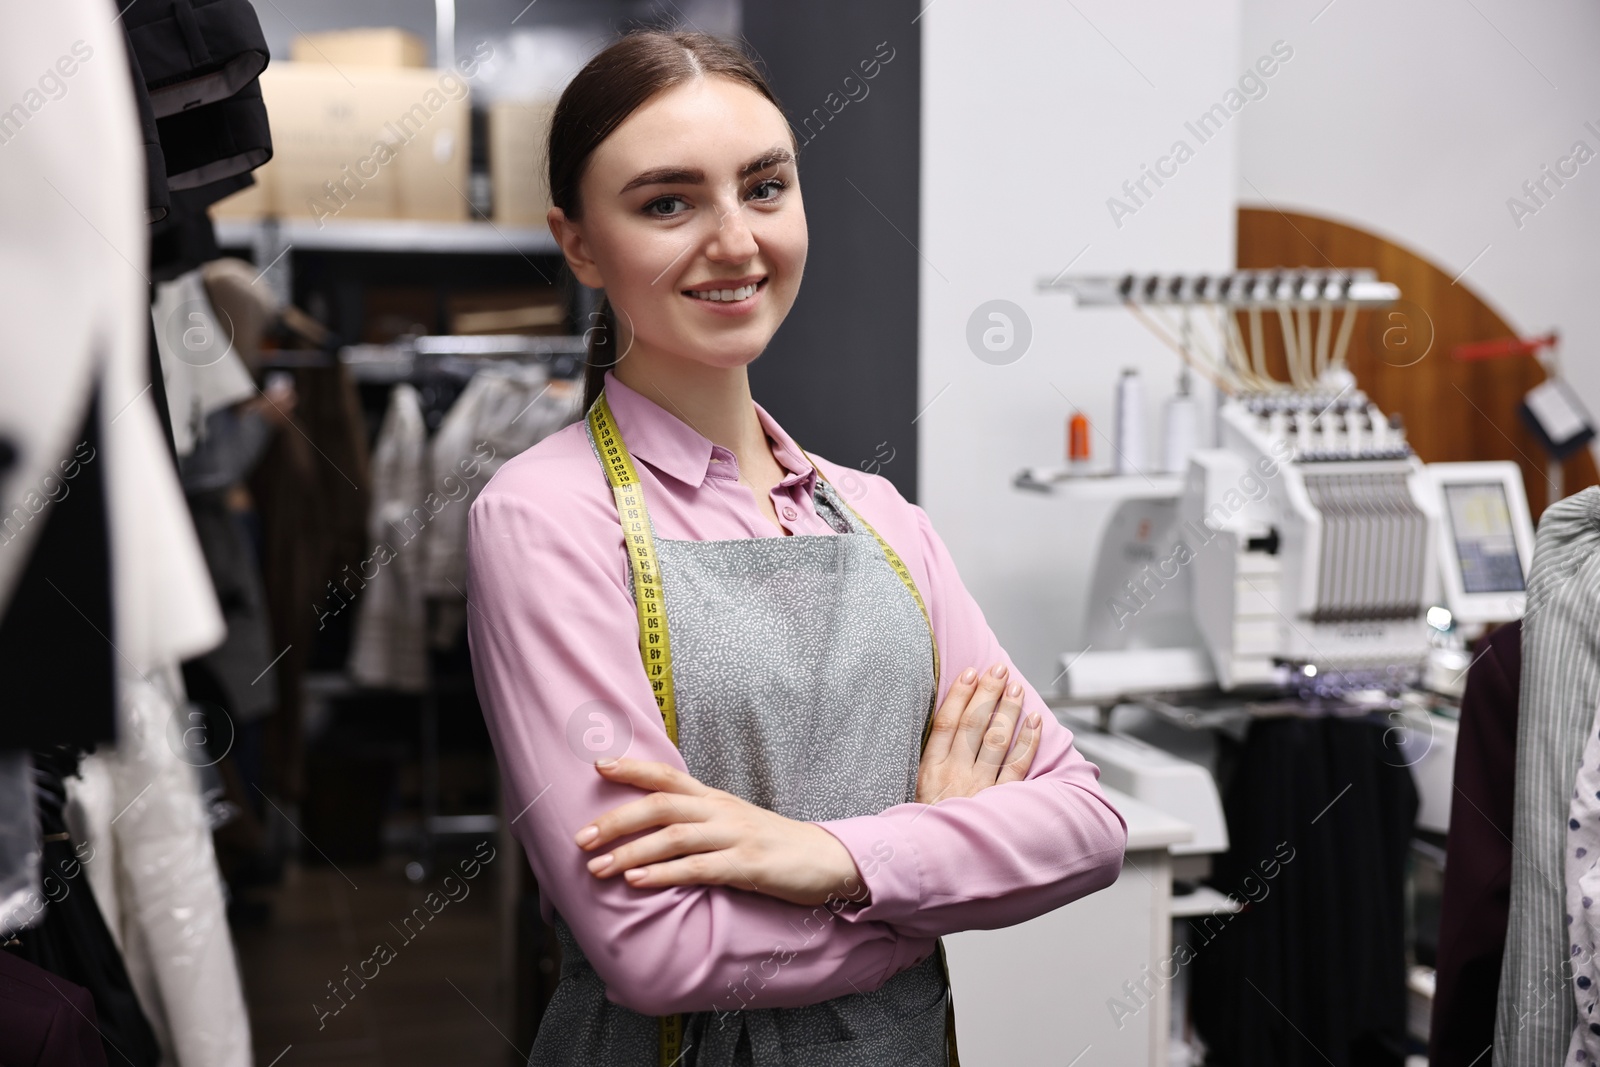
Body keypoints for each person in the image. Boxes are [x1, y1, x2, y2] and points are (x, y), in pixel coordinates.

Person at [465, 29, 1128, 1066]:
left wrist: (823, 855)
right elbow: (655, 948)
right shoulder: (544, 516)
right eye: (667, 203)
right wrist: (924, 880)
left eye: (764, 187)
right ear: (580, 241)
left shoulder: (881, 515)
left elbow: (1084, 826)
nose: (735, 242)